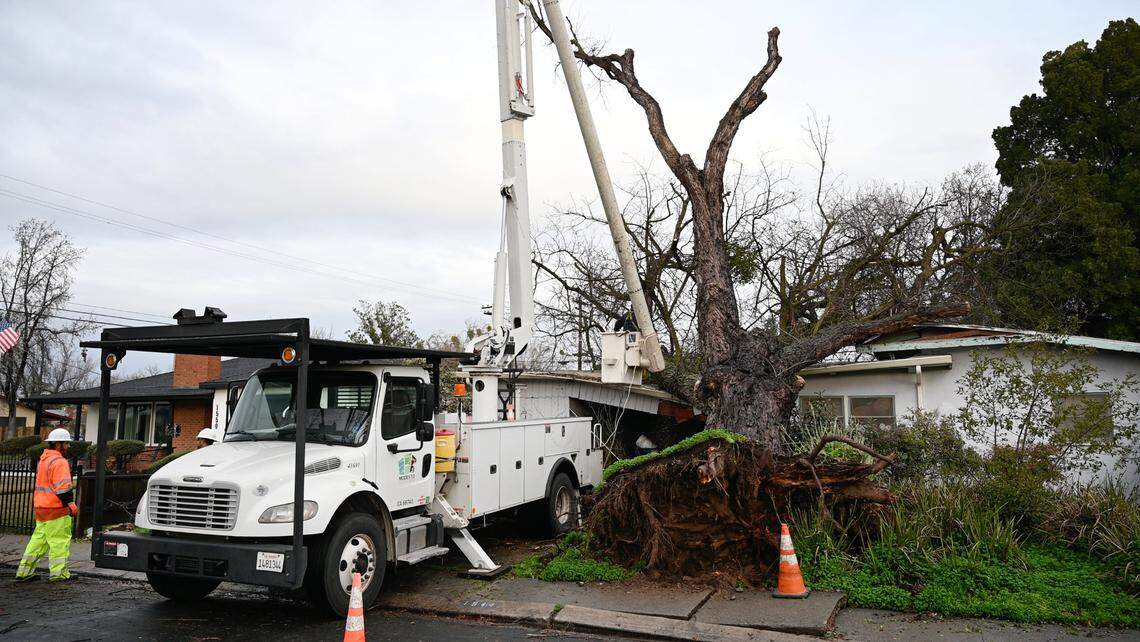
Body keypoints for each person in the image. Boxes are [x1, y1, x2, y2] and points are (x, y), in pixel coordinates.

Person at [15, 428, 78, 582]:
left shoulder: (44, 460)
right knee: (59, 541)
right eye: (66, 444)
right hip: (56, 509)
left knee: (38, 541)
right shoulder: (60, 462)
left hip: (41, 508)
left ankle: (24, 571)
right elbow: (63, 488)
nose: (68, 447)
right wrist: (71, 504)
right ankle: (59, 574)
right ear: (58, 444)